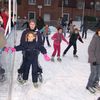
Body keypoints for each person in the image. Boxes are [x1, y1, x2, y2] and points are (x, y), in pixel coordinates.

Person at [86, 29, 100, 94]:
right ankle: (89, 85)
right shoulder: (95, 38)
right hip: (94, 60)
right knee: (93, 73)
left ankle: (95, 83)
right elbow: (90, 50)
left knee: (98, 73)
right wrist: (93, 59)